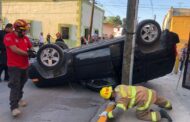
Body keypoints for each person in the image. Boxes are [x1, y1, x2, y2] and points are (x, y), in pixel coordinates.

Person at [4, 19, 34, 117]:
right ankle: (14, 107)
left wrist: (32, 51)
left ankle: (19, 99)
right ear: (17, 29)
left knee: (21, 84)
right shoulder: (8, 37)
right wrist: (27, 53)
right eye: (24, 30)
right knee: (15, 86)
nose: (25, 32)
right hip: (14, 66)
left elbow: (31, 47)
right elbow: (14, 49)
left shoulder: (25, 38)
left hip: (25, 65)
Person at [99, 85, 173, 122]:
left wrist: (107, 114)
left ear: (110, 96)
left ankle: (160, 114)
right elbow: (126, 99)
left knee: (140, 115)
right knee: (157, 99)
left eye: (108, 99)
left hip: (144, 99)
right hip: (147, 91)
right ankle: (168, 105)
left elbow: (119, 111)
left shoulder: (121, 99)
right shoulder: (119, 87)